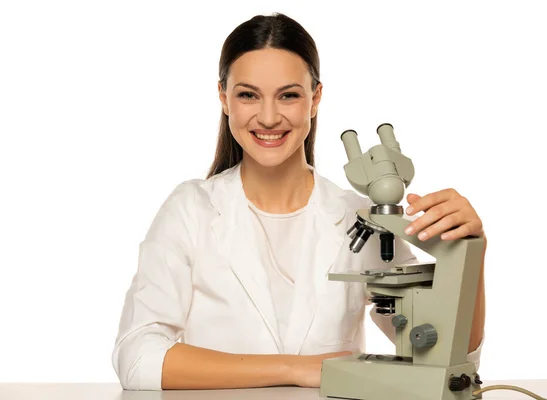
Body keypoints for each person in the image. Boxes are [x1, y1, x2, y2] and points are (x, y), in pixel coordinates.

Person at [112, 12, 486, 391]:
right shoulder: (189, 210)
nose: (269, 117)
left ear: (315, 98)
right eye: (248, 95)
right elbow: (138, 357)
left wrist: (469, 253)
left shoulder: (360, 219)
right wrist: (293, 369)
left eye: (288, 95)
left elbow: (453, 357)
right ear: (224, 98)